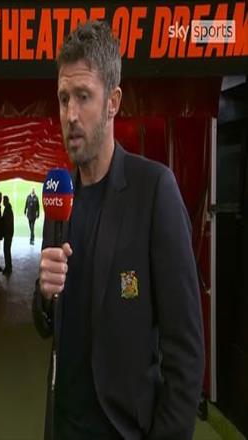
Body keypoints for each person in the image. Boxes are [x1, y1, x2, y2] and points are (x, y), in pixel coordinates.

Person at [32, 21, 204, 440]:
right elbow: (47, 323)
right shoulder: (59, 195)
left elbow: (185, 350)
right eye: (63, 98)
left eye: (83, 96)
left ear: (113, 102)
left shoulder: (154, 190)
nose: (70, 115)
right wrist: (44, 295)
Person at [2, 195, 14, 274]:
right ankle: (8, 266)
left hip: (8, 233)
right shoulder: (8, 209)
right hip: (8, 233)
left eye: (4, 200)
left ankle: (8, 267)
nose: (2, 202)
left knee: (6, 250)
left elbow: (7, 222)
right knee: (7, 250)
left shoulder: (7, 210)